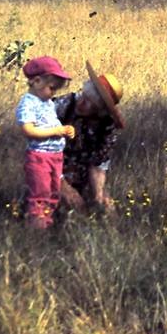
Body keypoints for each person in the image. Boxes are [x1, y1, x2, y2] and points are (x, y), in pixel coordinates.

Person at [54, 61, 124, 218]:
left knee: (105, 208)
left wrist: (98, 194)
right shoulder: (62, 106)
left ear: (100, 111)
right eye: (83, 96)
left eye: (89, 103)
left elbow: (98, 164)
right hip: (48, 169)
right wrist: (61, 185)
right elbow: (38, 151)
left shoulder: (106, 126)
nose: (81, 103)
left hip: (81, 175)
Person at [15, 56, 77, 229]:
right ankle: (38, 227)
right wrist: (55, 132)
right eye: (51, 88)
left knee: (54, 191)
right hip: (39, 157)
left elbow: (51, 124)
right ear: (36, 81)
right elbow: (28, 130)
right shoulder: (28, 104)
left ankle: (47, 222)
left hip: (55, 156)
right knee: (40, 192)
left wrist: (65, 131)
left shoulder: (47, 103)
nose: (54, 93)